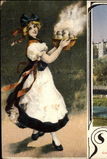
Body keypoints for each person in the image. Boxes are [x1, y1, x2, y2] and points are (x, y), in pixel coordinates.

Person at [3, 14, 70, 151]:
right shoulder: (32, 47)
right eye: (31, 27)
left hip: (44, 77)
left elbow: (47, 56)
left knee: (44, 105)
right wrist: (60, 47)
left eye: (35, 26)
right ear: (27, 30)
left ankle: (37, 131)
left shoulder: (38, 43)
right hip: (37, 80)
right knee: (42, 105)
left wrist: (57, 46)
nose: (34, 29)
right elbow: (49, 60)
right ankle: (54, 138)